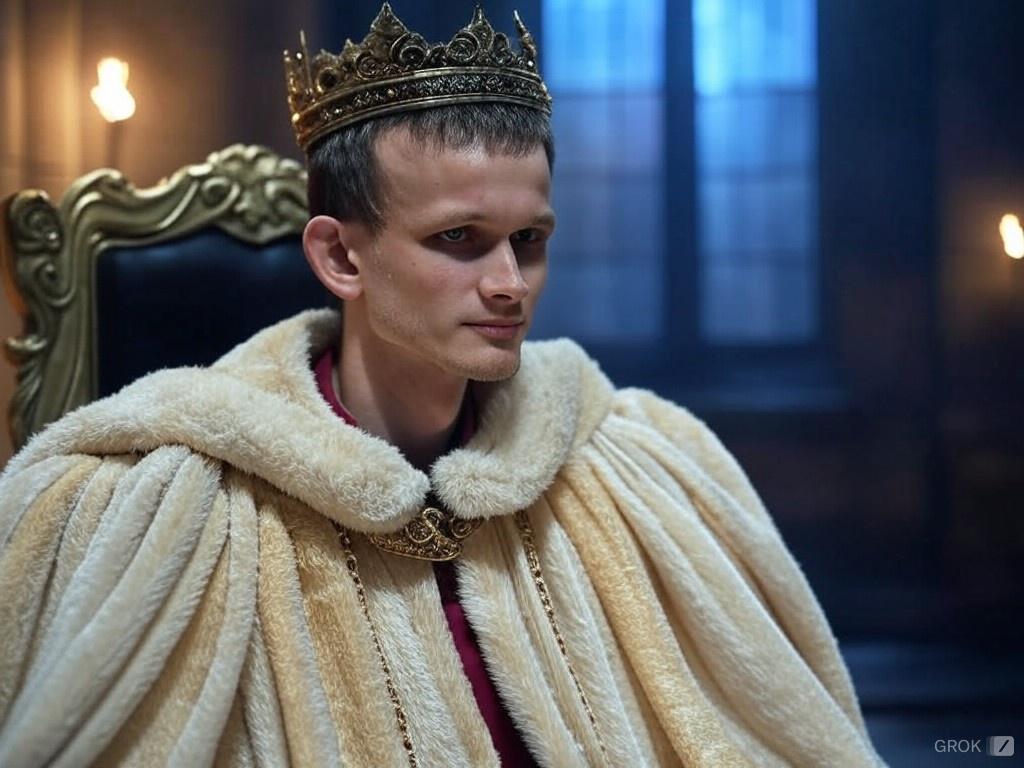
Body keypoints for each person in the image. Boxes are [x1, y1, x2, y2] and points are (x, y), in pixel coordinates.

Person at [0, 4, 883, 766]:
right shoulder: (169, 502)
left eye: (529, 240)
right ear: (341, 257)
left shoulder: (635, 462)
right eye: (459, 238)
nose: (509, 284)